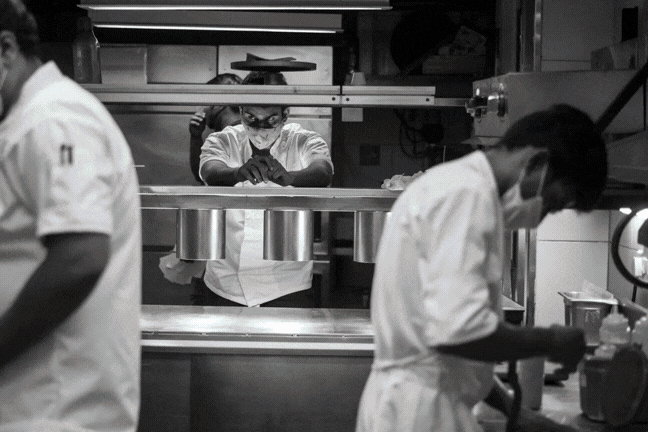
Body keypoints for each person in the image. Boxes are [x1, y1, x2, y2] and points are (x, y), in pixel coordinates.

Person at [0, 1, 142, 431]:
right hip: (19, 408)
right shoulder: (22, 125)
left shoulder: (55, 120)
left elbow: (80, 258)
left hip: (50, 411)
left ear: (4, 47)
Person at [355, 104, 607, 432]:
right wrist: (550, 340)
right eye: (553, 203)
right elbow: (461, 332)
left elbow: (454, 354)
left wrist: (516, 414)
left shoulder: (463, 189)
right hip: (422, 415)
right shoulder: (466, 196)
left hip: (420, 406)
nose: (541, 217)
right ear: (537, 163)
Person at [195, 71, 333, 307]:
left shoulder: (304, 140)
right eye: (251, 118)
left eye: (270, 119)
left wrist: (291, 178)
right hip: (225, 283)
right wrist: (237, 173)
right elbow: (209, 170)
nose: (260, 127)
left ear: (285, 114)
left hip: (286, 286)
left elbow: (323, 171)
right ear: (240, 112)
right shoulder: (223, 141)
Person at [188, 73, 242, 184]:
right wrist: (196, 137)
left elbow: (206, 177)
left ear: (219, 104)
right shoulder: (228, 135)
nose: (202, 109)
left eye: (205, 102)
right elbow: (202, 175)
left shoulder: (226, 137)